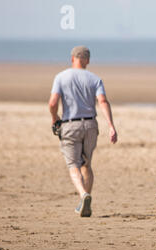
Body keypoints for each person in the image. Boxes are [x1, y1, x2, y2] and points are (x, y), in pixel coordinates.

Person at [48, 46, 117, 217]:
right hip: (91, 125)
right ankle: (85, 201)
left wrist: (54, 117)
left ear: (72, 59)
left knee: (73, 165)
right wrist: (111, 126)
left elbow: (52, 102)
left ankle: (83, 195)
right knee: (86, 164)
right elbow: (103, 101)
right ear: (87, 60)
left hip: (70, 124)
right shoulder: (94, 78)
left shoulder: (61, 77)